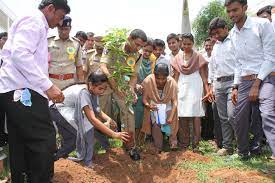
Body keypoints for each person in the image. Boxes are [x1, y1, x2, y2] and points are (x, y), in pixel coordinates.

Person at [0, 0, 70, 182]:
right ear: (50, 8)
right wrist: (48, 86)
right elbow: (20, 54)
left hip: (16, 90)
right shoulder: (35, 21)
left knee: (20, 141)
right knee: (44, 140)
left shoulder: (34, 23)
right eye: (60, 16)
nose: (60, 22)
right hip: (23, 91)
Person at [225, 0, 275, 160]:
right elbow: (238, 64)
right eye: (229, 11)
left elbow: (270, 57)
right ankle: (243, 152)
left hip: (266, 78)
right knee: (237, 117)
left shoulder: (262, 24)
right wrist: (235, 86)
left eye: (235, 10)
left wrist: (257, 84)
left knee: (267, 115)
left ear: (245, 8)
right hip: (245, 82)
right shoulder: (232, 34)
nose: (232, 14)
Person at [50, 70, 129, 167]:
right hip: (58, 110)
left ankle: (57, 159)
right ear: (91, 85)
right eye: (100, 88)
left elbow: (97, 110)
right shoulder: (84, 93)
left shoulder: (92, 91)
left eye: (104, 89)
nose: (102, 91)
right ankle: (81, 161)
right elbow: (92, 119)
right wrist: (114, 134)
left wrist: (109, 119)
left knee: (73, 139)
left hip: (63, 110)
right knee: (80, 135)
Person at [100, 29, 147, 159]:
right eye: (137, 44)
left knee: (128, 113)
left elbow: (133, 75)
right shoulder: (112, 44)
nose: (138, 48)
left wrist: (131, 89)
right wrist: (114, 86)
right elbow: (103, 67)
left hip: (122, 83)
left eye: (141, 46)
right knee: (101, 112)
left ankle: (130, 146)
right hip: (105, 82)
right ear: (130, 38)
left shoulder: (138, 54)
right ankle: (97, 145)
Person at [171, 33, 210, 152]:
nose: (186, 46)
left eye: (189, 44)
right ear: (181, 43)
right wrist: (173, 91)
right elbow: (175, 76)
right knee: (182, 114)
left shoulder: (199, 57)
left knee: (196, 114)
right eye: (184, 44)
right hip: (181, 87)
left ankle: (196, 144)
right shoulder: (177, 58)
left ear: (193, 43)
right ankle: (184, 143)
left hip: (195, 86)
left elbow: (204, 77)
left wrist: (207, 91)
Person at [208, 17, 236, 156]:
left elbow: (240, 64)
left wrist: (237, 84)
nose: (216, 36)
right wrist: (212, 86)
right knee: (223, 117)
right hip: (218, 84)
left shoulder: (235, 41)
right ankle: (227, 147)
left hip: (233, 83)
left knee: (232, 115)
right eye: (214, 34)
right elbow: (212, 67)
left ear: (226, 28)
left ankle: (241, 145)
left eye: (218, 33)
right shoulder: (216, 46)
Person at [141, 63, 178, 152]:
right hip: (154, 106)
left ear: (167, 76)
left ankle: (173, 141)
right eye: (158, 78)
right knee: (156, 124)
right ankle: (158, 146)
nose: (161, 81)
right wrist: (148, 106)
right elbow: (144, 99)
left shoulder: (172, 82)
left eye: (163, 79)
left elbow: (175, 102)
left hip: (168, 105)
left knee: (171, 119)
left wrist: (171, 117)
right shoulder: (148, 81)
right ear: (154, 76)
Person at [48, 16, 84, 90]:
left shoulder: (76, 43)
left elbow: (79, 66)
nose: (63, 32)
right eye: (61, 29)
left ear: (70, 28)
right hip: (51, 82)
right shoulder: (48, 41)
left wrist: (81, 85)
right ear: (57, 27)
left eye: (66, 29)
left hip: (70, 83)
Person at [133, 38, 155, 143]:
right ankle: (133, 143)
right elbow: (127, 76)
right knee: (135, 120)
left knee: (144, 120)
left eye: (150, 52)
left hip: (147, 95)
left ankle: (141, 142)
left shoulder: (151, 63)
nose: (147, 53)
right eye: (145, 50)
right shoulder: (135, 59)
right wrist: (135, 85)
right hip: (135, 95)